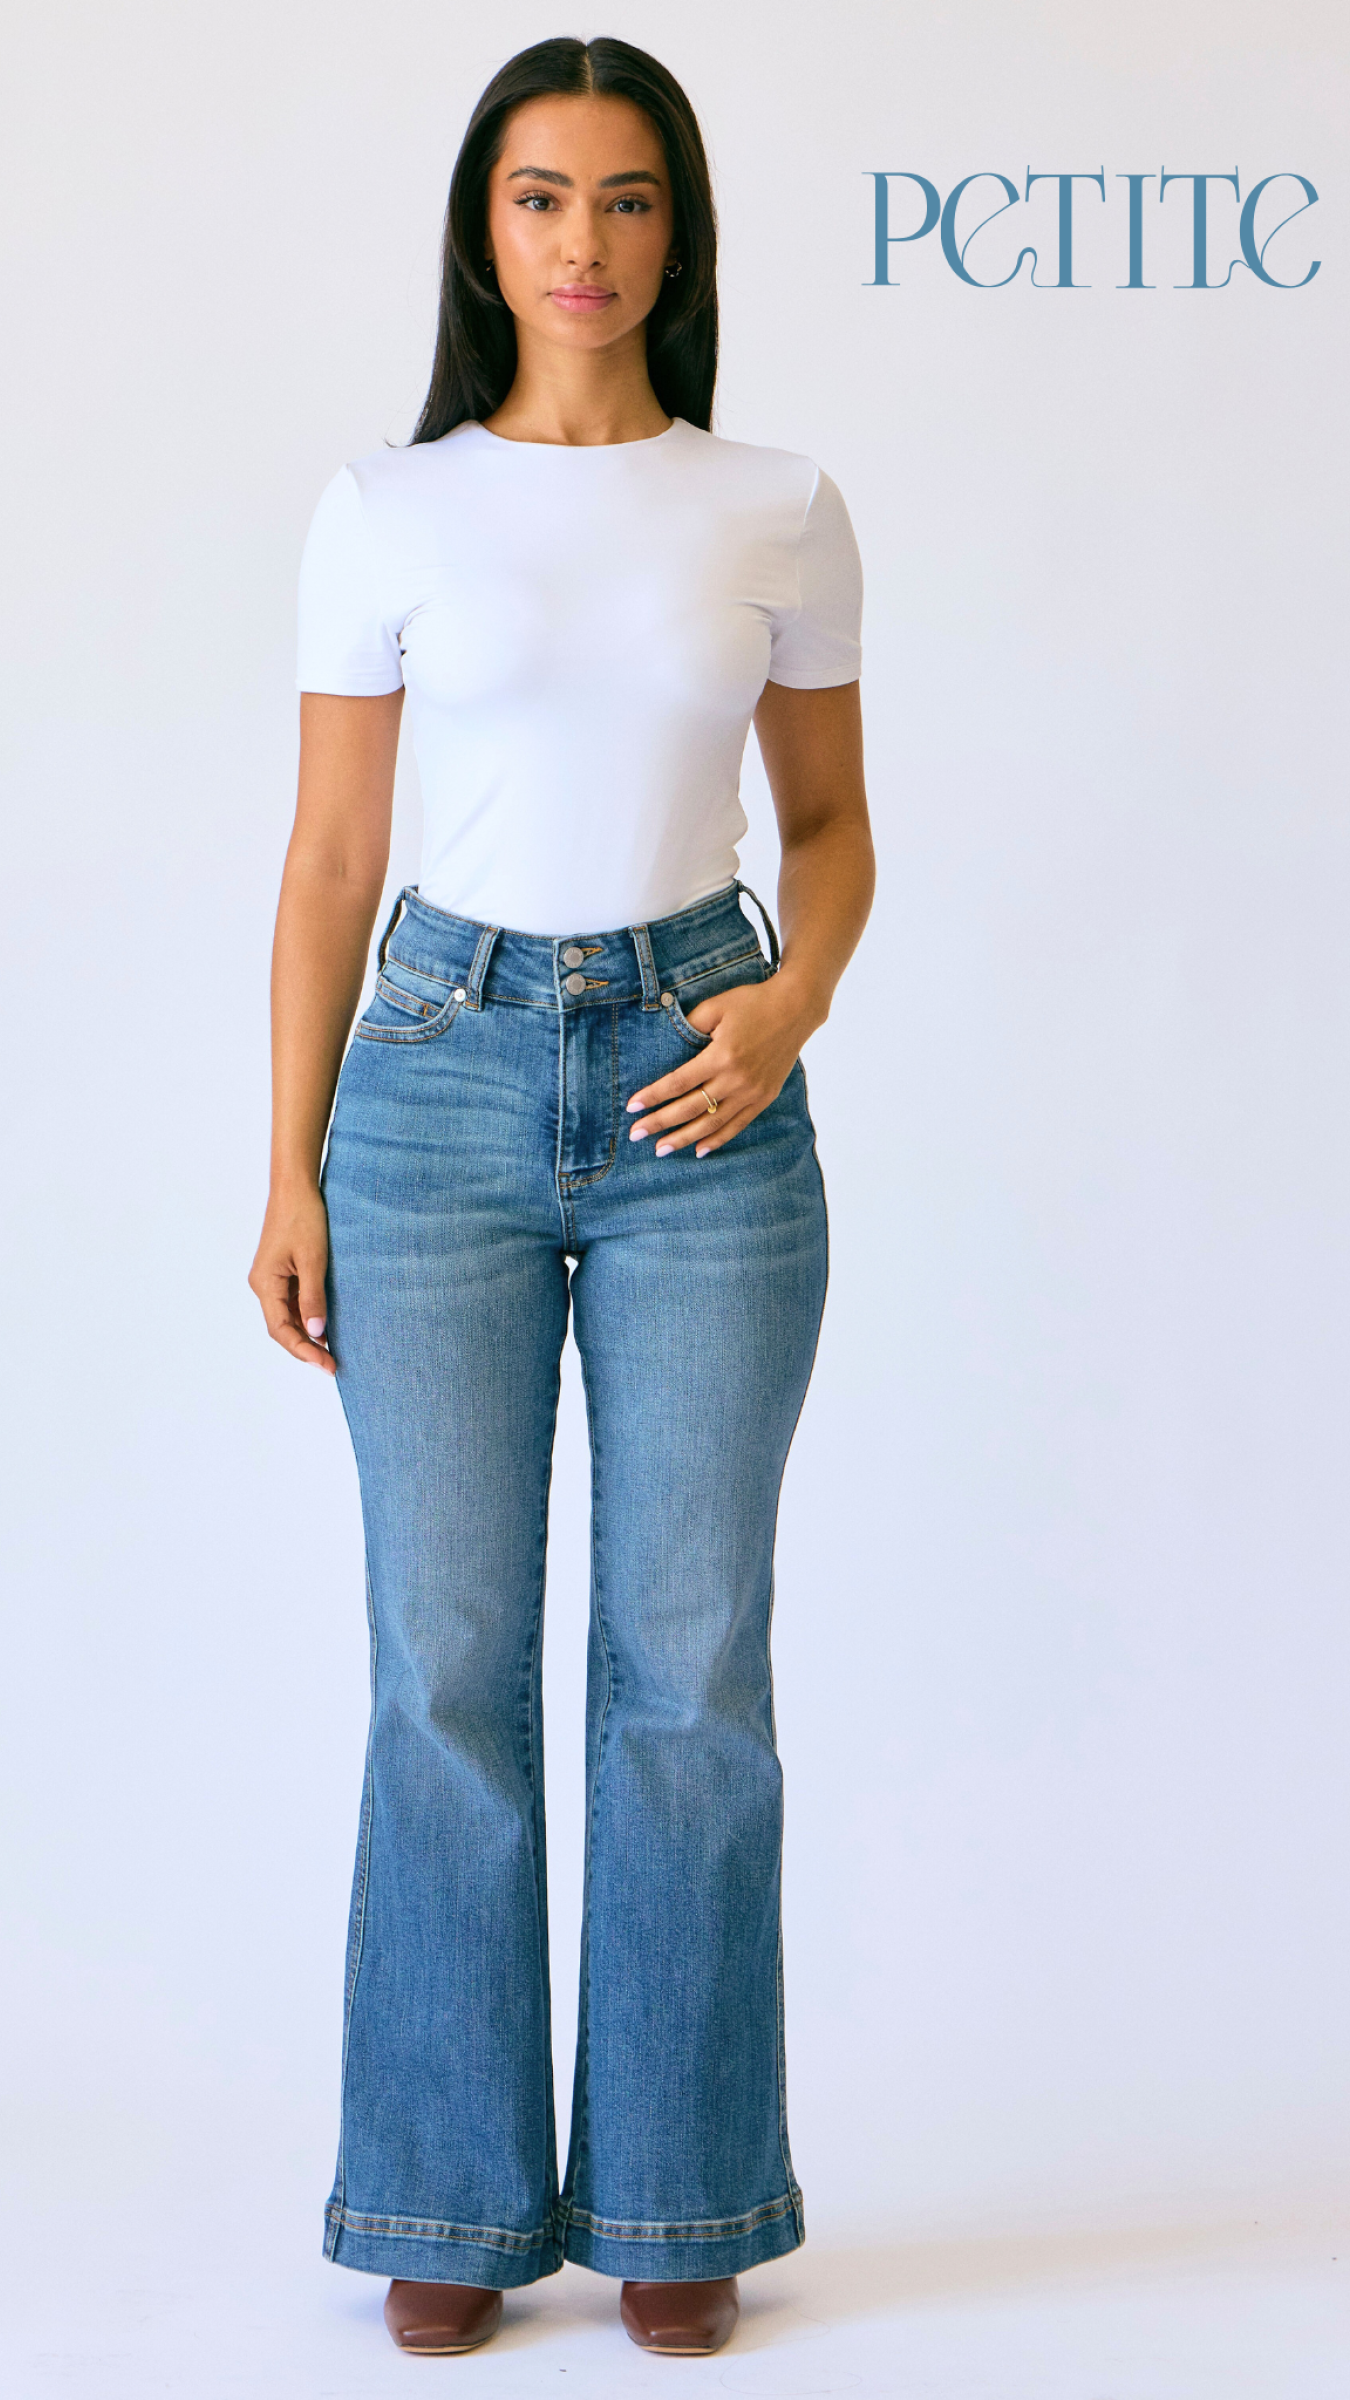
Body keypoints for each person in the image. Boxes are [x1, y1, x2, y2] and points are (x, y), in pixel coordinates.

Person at [248, 33, 873, 2361]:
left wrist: (790, 1006)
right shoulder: (385, 509)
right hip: (433, 1090)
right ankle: (445, 2187)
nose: (582, 242)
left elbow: (834, 827)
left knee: (690, 1669)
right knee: (445, 1666)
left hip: (708, 1084)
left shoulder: (777, 503)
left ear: (676, 232)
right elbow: (331, 861)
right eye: (540, 197)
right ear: (483, 229)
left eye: (624, 199)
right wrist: (287, 1162)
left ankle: (686, 2200)